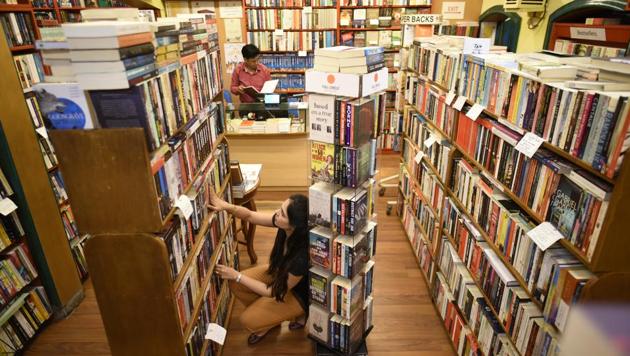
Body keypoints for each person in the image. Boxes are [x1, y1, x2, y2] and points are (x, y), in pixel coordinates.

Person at [210, 191, 309, 345]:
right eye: (280, 208)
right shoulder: (282, 223)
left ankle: (285, 315)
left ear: (294, 226)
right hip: (280, 273)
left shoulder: (302, 256)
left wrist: (237, 275)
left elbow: (273, 292)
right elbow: (250, 216)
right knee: (235, 283)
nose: (276, 214)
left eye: (282, 214)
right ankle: (269, 317)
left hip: (296, 294)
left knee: (247, 320)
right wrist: (224, 206)